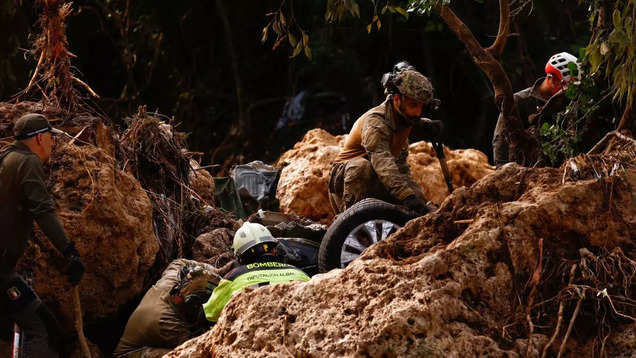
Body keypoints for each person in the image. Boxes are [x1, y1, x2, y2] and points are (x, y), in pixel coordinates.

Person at [0, 113, 85, 357]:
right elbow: (43, 210)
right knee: (38, 327)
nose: (52, 143)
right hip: (1, 272)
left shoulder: (7, 157)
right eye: (50, 137)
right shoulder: (27, 162)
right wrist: (69, 252)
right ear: (38, 139)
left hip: (5, 270)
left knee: (37, 319)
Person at [327, 61, 440, 215]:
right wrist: (406, 196)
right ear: (396, 99)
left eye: (421, 106)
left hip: (378, 178)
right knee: (361, 167)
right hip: (349, 183)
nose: (418, 112)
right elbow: (383, 163)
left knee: (422, 208)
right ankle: (354, 221)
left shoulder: (404, 118)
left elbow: (399, 167)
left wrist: (426, 125)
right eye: (414, 105)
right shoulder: (376, 123)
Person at [203, 222, 310, 323]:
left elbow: (211, 313)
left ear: (240, 258)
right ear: (273, 249)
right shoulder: (298, 272)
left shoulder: (234, 277)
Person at [114, 259, 221, 358]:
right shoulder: (167, 323)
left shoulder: (173, 277)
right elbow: (196, 348)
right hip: (127, 355)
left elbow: (179, 262)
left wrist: (213, 271)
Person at [492, 52, 580, 166]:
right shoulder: (519, 101)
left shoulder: (568, 104)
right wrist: (502, 171)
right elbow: (500, 140)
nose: (568, 91)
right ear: (552, 79)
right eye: (566, 86)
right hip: (520, 171)